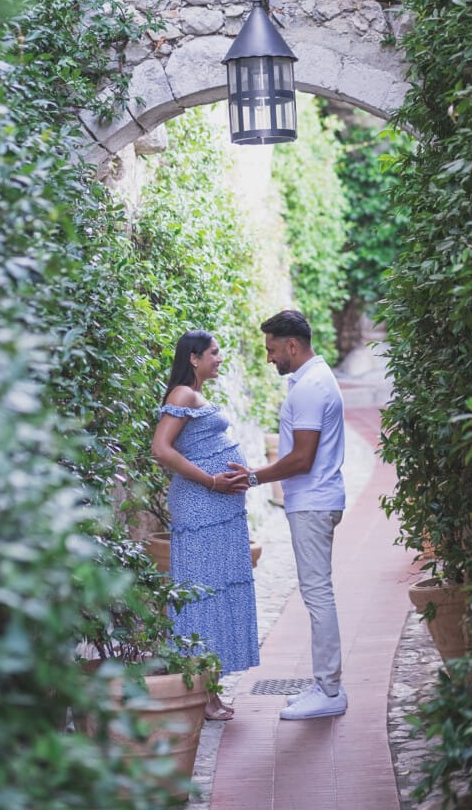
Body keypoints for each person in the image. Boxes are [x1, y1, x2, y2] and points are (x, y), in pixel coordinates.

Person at [228, 309, 347, 721]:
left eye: (273, 349)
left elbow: (301, 457)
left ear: (292, 345)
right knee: (317, 593)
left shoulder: (310, 387)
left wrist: (254, 478)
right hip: (314, 501)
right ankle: (324, 685)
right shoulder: (311, 379)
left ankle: (330, 690)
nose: (269, 358)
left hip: (314, 501)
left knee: (318, 594)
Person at [151, 329, 259, 721]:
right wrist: (212, 480)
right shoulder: (182, 394)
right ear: (193, 358)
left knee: (212, 594)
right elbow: (160, 449)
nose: (219, 357)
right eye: (213, 353)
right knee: (201, 597)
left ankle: (209, 693)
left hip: (218, 510)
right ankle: (201, 696)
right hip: (200, 508)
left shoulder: (196, 395)